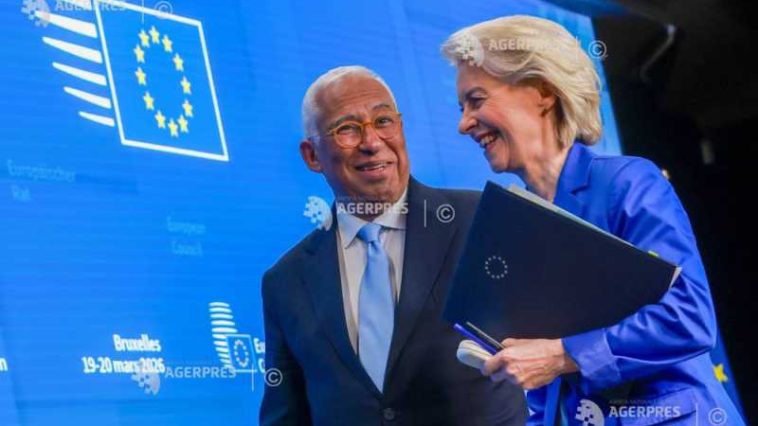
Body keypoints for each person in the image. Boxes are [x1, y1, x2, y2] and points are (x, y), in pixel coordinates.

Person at [441, 15, 745, 426]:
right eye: (462, 108)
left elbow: (688, 317)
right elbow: (549, 385)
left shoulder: (627, 182)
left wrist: (561, 355)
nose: (463, 124)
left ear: (542, 92)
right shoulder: (516, 225)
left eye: (476, 100)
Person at [259, 66, 526, 426]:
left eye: (383, 121)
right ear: (312, 156)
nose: (371, 142)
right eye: (347, 129)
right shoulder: (285, 281)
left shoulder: (482, 220)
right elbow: (286, 414)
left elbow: (560, 346)